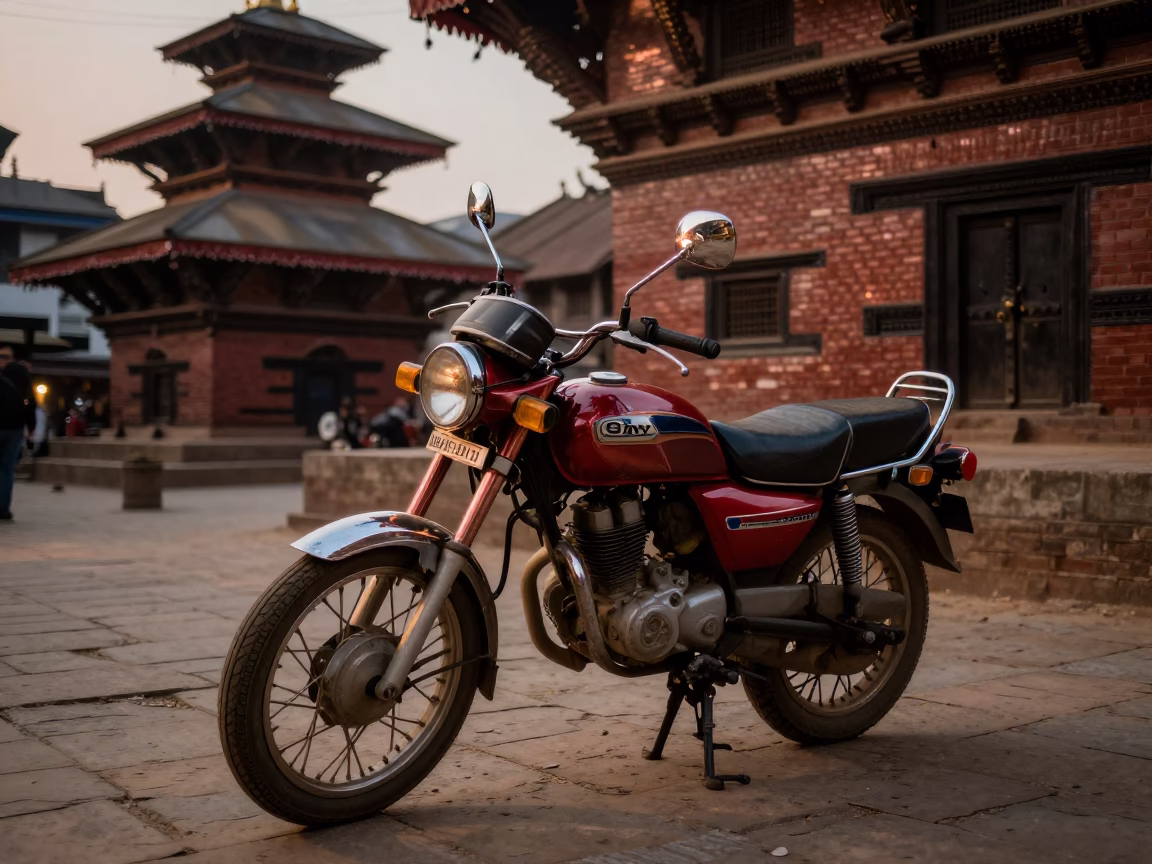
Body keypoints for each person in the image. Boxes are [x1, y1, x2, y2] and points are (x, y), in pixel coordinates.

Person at [0, 343, 35, 521]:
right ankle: (3, 509)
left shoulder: (18, 374)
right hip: (15, 428)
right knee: (6, 469)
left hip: (12, 427)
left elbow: (30, 401)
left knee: (6, 468)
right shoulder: (22, 375)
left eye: (4, 357)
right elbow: (30, 401)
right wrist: (31, 427)